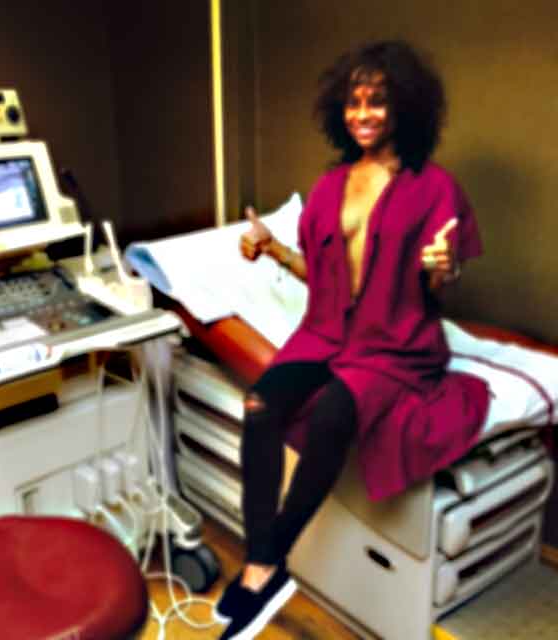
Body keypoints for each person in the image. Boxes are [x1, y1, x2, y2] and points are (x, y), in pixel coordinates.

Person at [215, 40, 489, 640]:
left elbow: (440, 278)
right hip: (327, 333)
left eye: (378, 102)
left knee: (335, 411)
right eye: (352, 102)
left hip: (396, 342)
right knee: (259, 406)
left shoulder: (433, 186)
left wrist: (443, 266)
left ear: (406, 109)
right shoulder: (331, 184)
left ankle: (264, 564)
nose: (362, 114)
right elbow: (328, 275)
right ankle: (268, 554)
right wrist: (272, 248)